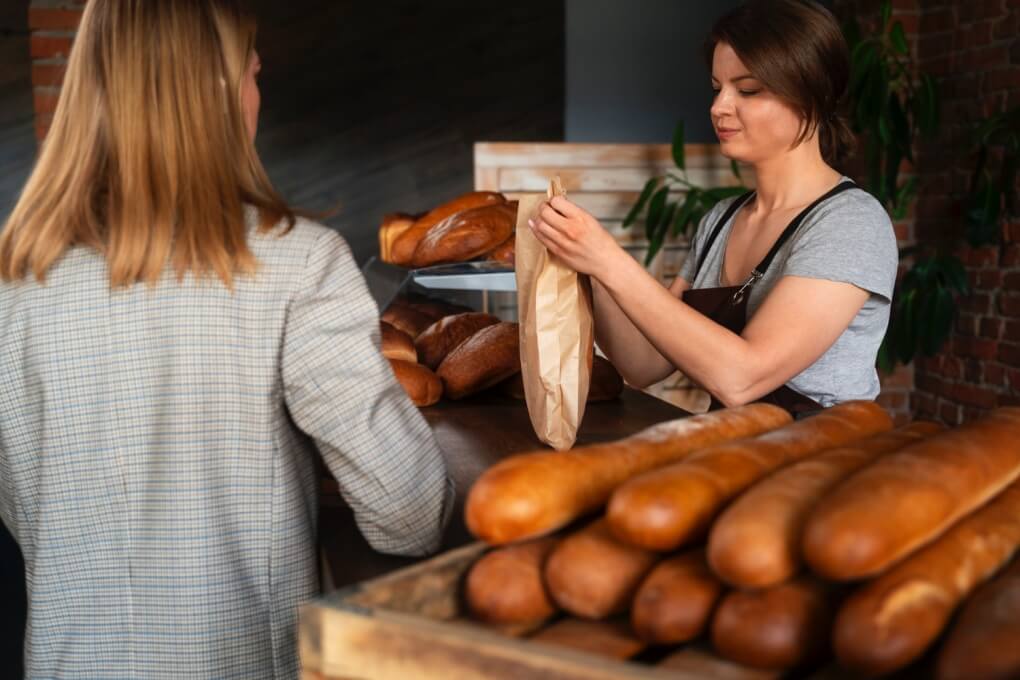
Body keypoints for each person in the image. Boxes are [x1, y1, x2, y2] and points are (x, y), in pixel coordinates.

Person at [0, 1, 453, 677]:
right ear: (215, 91)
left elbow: (20, 503)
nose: (256, 95)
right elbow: (409, 514)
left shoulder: (13, 273)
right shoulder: (299, 261)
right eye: (253, 73)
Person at [529, 0, 897, 414]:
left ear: (811, 94)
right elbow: (642, 364)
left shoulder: (851, 223)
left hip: (819, 463)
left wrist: (610, 260)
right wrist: (590, 267)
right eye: (717, 87)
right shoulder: (720, 220)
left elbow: (743, 377)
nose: (719, 107)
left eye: (748, 90)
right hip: (731, 451)